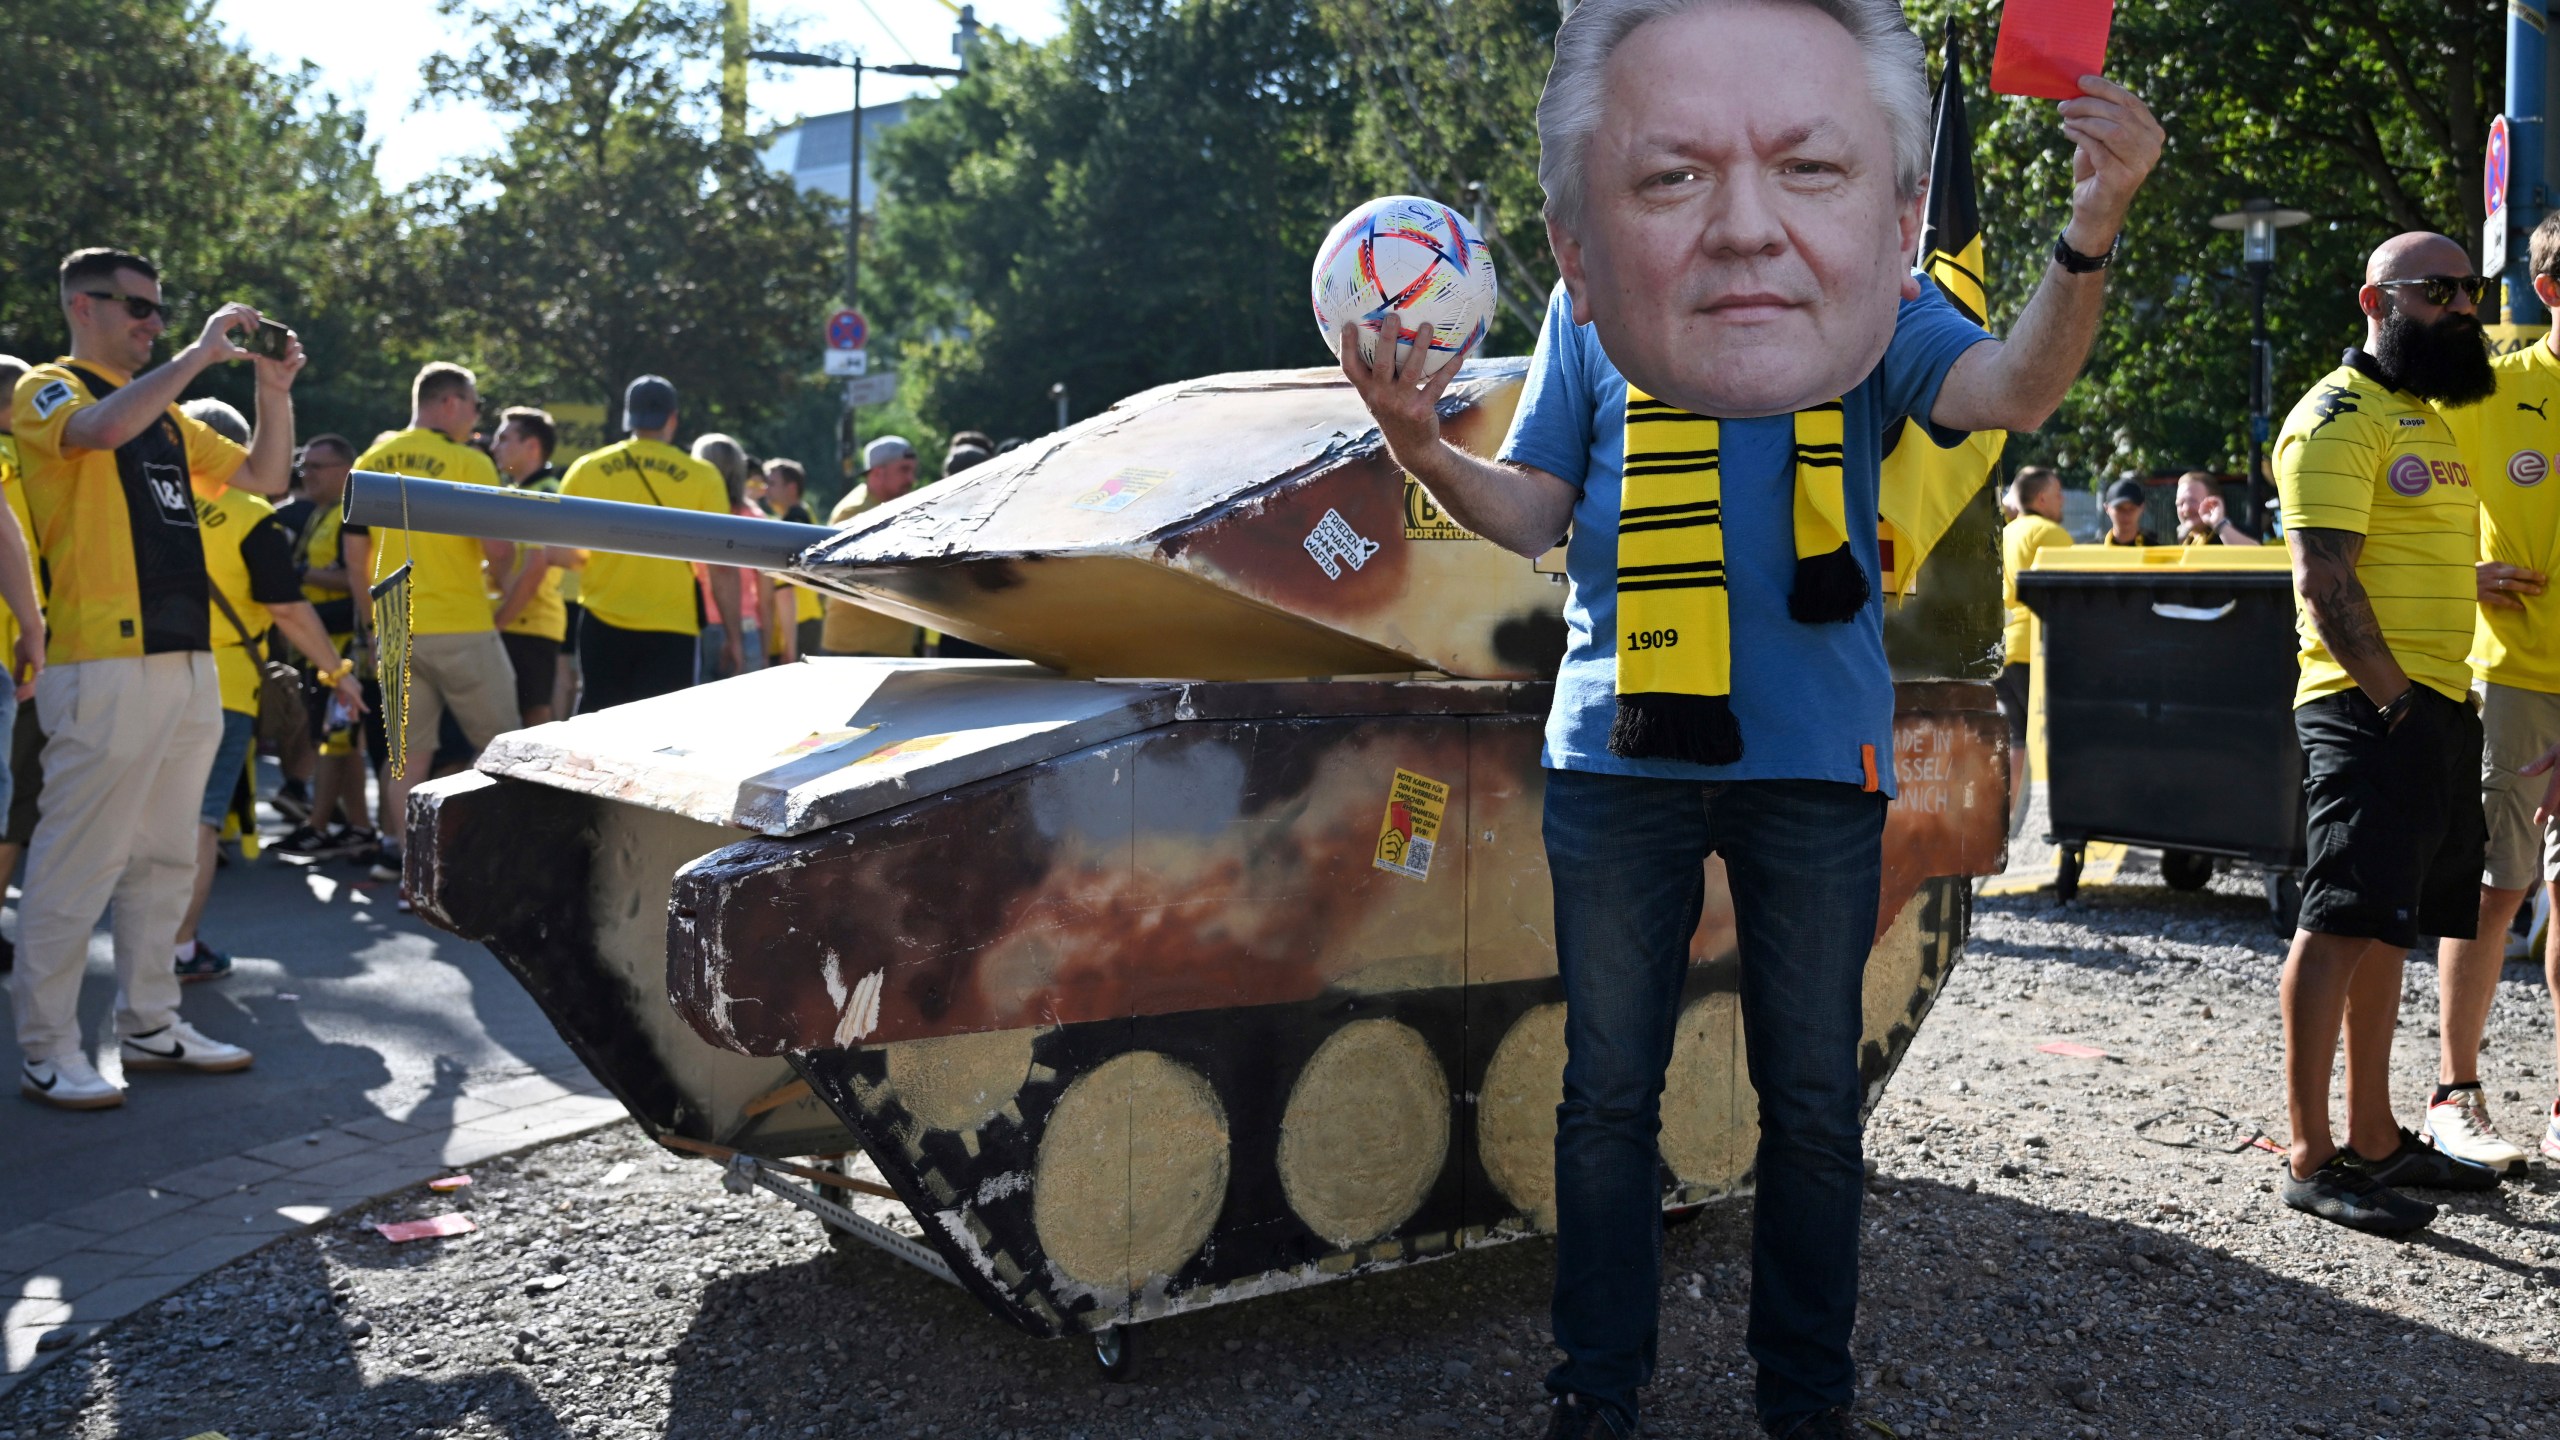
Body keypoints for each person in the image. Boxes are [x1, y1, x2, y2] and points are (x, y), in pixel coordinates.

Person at [1338, 2, 2161, 1433]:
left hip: (1807, 757)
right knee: (1607, 1102)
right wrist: (1418, 442)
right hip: (1617, 750)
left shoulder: (1876, 296)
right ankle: (1598, 1393)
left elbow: (2014, 390)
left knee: (1812, 1107)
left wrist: (2091, 228)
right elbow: (1537, 509)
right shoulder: (1594, 303)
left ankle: (1806, 1400)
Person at [11, 246, 302, 1109]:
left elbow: (266, 477)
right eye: (135, 306)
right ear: (81, 306)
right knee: (76, 861)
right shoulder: (47, 386)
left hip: (186, 659)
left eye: (158, 309)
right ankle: (47, 1045)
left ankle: (150, 1021)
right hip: (100, 658)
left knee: (166, 857)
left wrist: (273, 393)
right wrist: (201, 356)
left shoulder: (170, 414)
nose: (150, 322)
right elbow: (97, 432)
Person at [2268, 231, 2509, 1234]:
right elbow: (2323, 584)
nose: (2461, 308)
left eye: (2470, 290)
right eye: (2438, 292)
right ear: (2375, 300)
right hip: (2368, 707)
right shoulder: (2332, 416)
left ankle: (2373, 1137)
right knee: (2335, 920)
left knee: (2385, 924)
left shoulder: (2430, 419)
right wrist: (2396, 704)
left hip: (2434, 705)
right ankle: (2311, 1154)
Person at [2429, 208, 2560, 1172]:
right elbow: (2405, 494)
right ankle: (2455, 1093)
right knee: (2497, 886)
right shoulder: (2493, 387)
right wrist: (2455, 573)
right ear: (2550, 291)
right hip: (2515, 676)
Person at [170, 400, 364, 981]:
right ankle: (178, 949)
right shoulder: (249, 513)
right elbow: (286, 607)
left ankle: (137, 947)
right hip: (221, 686)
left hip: (138, 673)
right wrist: (338, 673)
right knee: (199, 824)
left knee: (146, 822)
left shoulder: (143, 503)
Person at [344, 364, 533, 886]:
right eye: (473, 405)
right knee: (506, 746)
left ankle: (411, 869)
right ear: (449, 403)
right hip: (462, 623)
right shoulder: (468, 461)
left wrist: (370, 624)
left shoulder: (372, 459)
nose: (476, 416)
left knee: (406, 755)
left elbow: (354, 553)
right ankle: (491, 863)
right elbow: (498, 547)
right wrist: (501, 578)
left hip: (396, 629)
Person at [558, 375, 737, 710]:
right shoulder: (703, 476)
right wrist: (733, 636)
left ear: (629, 418)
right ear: (673, 418)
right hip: (672, 625)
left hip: (602, 618)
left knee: (598, 726)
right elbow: (722, 567)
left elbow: (558, 552)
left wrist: (602, 560)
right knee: (661, 733)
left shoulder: (587, 468)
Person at [1995, 467, 2071, 826]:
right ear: (2041, 499)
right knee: (2045, 736)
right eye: (2058, 494)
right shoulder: (2050, 534)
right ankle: (2040, 818)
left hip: (2005, 646)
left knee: (2015, 738)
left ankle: (2005, 817)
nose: (2063, 500)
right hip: (2035, 648)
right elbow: (2068, 594)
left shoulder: (2006, 533)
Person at [489, 406, 574, 726]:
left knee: (533, 715)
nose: (494, 447)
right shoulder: (514, 492)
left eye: (504, 439)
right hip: (511, 621)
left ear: (532, 446)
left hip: (530, 625)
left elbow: (536, 567)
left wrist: (498, 623)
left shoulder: (548, 493)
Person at [0, 354, 42, 976]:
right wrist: (34, 632)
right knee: (14, 799)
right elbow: (14, 546)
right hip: (17, 661)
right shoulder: (18, 465)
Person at [818, 436, 925, 658]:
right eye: (904, 470)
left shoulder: (899, 506)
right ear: (877, 472)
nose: (911, 479)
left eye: (912, 471)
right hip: (856, 646)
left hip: (890, 644)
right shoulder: (854, 512)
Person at [690, 433, 769, 679]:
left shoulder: (688, 515)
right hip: (747, 628)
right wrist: (766, 649)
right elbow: (766, 596)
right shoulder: (755, 519)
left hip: (696, 627)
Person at [763, 458, 825, 661]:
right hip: (806, 619)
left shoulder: (793, 522)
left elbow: (786, 585)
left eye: (772, 483)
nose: (765, 489)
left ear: (791, 488)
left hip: (799, 622)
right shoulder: (804, 514)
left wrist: (788, 645)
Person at [2175, 469, 2259, 545]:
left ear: (2213, 503)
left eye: (2193, 501)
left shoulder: (2230, 533)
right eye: (2180, 503)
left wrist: (2219, 524)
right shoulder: (2188, 539)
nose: (2185, 509)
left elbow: (2257, 557)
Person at [2098, 476, 2159, 546]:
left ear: (2142, 508)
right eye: (2119, 508)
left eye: (2132, 509)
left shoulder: (2156, 552)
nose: (2126, 515)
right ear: (2107, 508)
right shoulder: (2091, 552)